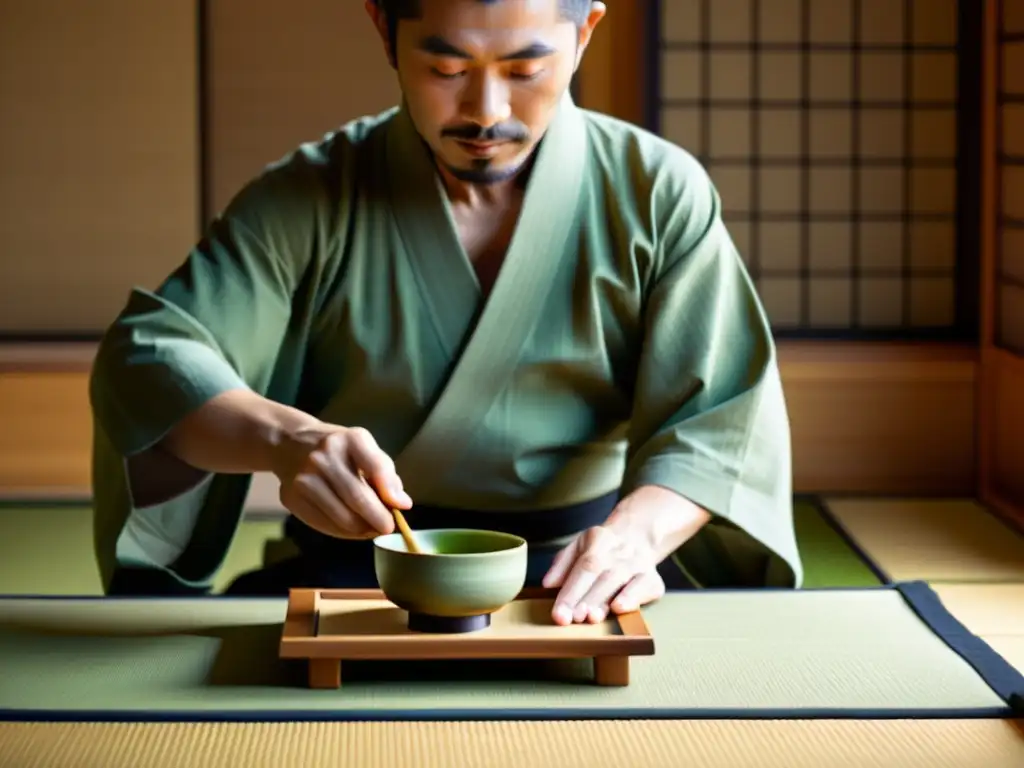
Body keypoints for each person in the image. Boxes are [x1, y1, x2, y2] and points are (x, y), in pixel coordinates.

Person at [89, 0, 802, 625]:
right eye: (447, 68)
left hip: (584, 577)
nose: (487, 110)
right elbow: (150, 356)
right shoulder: (313, 197)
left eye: (525, 71)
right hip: (367, 575)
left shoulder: (655, 193)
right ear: (383, 29)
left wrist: (634, 540)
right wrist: (289, 441)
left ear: (584, 33)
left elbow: (722, 420)